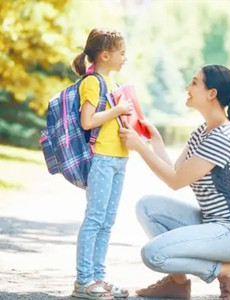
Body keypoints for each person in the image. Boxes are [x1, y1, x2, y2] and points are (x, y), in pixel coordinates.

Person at [119, 64, 230, 300]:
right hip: (211, 223)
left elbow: (176, 181)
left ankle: (228, 271)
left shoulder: (222, 135)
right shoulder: (203, 131)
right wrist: (155, 140)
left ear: (212, 93)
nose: (187, 87)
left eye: (194, 83)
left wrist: (140, 148)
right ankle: (178, 284)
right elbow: (174, 170)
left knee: (153, 254)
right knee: (147, 207)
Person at [71, 28, 133, 299]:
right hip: (103, 159)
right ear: (105, 55)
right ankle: (83, 281)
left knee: (107, 221)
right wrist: (118, 110)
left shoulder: (115, 85)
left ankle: (98, 277)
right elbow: (88, 121)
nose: (125, 58)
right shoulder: (93, 82)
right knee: (95, 218)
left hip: (120, 157)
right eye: (122, 52)